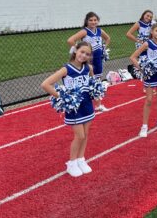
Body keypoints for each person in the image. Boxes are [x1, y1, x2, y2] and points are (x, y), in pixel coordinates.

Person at [41, 41, 95, 177]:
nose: (84, 55)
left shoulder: (88, 68)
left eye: (87, 54)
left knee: (86, 134)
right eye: (82, 52)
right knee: (79, 135)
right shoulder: (66, 69)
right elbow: (45, 84)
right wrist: (62, 97)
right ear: (75, 51)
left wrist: (95, 91)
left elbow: (93, 83)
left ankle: (81, 159)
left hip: (87, 105)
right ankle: (71, 163)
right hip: (74, 108)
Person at [130, 23, 157, 138]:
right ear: (152, 32)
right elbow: (133, 57)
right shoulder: (147, 43)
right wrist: (142, 69)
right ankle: (144, 126)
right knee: (149, 100)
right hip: (150, 75)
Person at [67, 12, 110, 112]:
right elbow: (70, 40)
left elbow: (108, 38)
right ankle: (79, 104)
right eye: (91, 20)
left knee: (97, 81)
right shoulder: (84, 31)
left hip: (98, 59)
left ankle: (98, 105)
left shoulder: (99, 30)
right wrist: (80, 51)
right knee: (85, 81)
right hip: (88, 61)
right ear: (87, 21)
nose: (93, 22)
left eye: (95, 20)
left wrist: (104, 47)